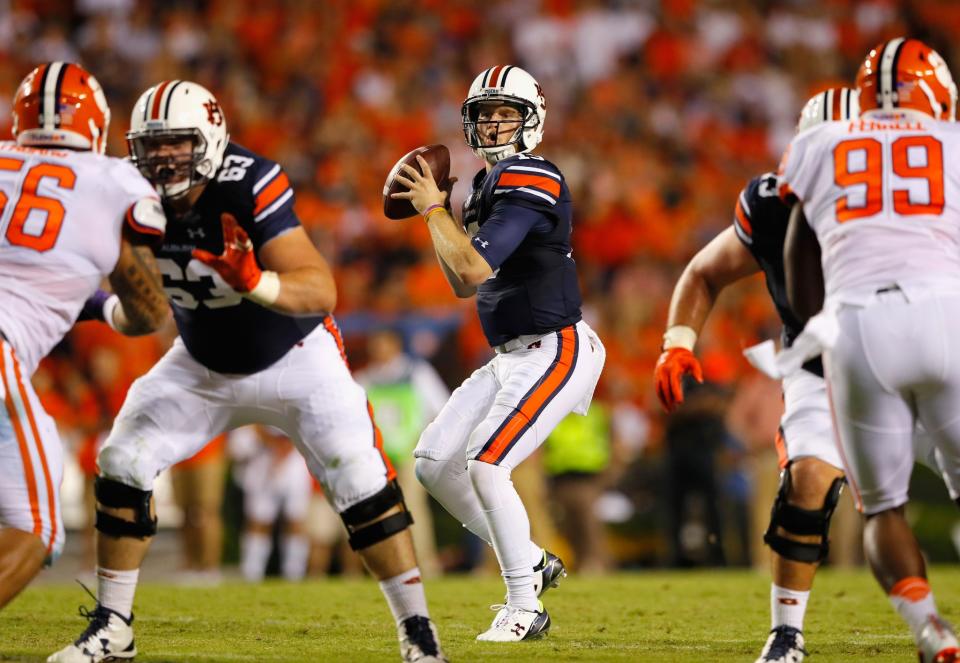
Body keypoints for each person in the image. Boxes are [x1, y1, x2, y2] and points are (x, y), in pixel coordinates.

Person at [49, 80, 446, 663]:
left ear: (209, 141)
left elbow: (321, 290)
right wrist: (90, 303)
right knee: (123, 457)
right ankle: (114, 627)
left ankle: (418, 634)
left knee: (360, 478)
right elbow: (144, 313)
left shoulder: (247, 182)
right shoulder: (124, 192)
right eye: (150, 146)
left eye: (177, 144)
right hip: (202, 361)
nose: (162, 159)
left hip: (296, 357)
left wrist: (253, 280)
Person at [391, 65, 605, 641]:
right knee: (434, 463)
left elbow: (471, 265)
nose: (491, 123)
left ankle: (524, 603)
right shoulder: (486, 186)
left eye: (504, 112)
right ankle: (532, 559)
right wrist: (439, 213)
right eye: (484, 113)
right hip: (512, 353)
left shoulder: (532, 173)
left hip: (555, 346)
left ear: (531, 120)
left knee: (487, 462)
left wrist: (433, 210)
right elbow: (464, 284)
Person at [654, 88, 858, 662]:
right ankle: (787, 632)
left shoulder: (917, 198)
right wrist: (677, 343)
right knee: (807, 480)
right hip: (820, 365)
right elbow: (703, 271)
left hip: (914, 356)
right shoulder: (771, 203)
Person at [780, 38, 960, 663]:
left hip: (858, 325)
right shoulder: (952, 141)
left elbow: (799, 248)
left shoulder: (822, 141)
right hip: (947, 310)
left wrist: (814, 330)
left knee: (883, 508)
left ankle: (929, 627)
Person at [0, 62, 167, 610]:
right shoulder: (112, 179)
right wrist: (111, 308)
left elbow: (33, 273)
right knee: (36, 526)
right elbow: (149, 311)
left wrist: (82, 298)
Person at [355, 328, 451, 577]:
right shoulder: (366, 378)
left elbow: (442, 408)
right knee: (381, 512)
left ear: (396, 345)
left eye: (384, 344)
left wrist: (428, 444)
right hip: (379, 455)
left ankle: (425, 565)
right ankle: (391, 568)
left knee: (413, 508)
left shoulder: (416, 373)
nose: (379, 350)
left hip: (411, 450)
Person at [236, 426, 313, 582]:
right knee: (259, 519)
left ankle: (294, 574)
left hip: (295, 458)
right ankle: (251, 574)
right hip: (263, 458)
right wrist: (272, 443)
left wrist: (286, 447)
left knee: (295, 519)